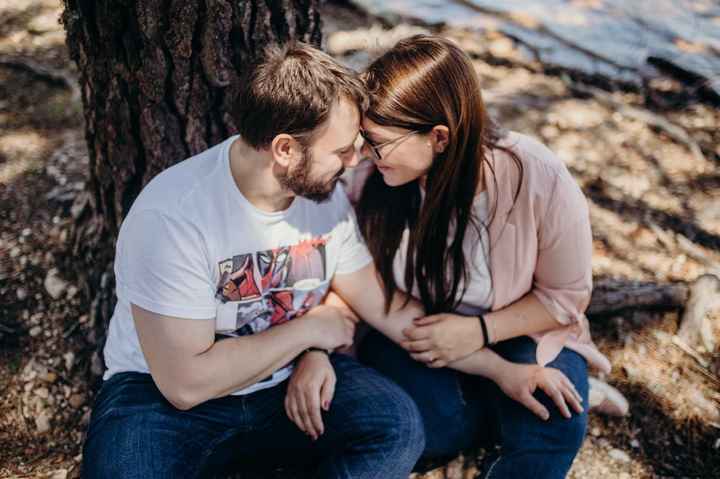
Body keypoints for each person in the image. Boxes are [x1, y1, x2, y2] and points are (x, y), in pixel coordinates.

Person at [81, 42, 428, 479]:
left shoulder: (322, 195)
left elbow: (374, 303)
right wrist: (309, 330)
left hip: (282, 385)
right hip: (162, 402)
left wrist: (485, 343)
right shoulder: (172, 217)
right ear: (284, 149)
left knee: (396, 426)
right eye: (342, 150)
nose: (357, 161)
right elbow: (186, 384)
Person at [287, 35, 613, 479]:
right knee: (428, 428)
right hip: (415, 333)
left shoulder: (537, 177)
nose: (363, 155)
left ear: (439, 137)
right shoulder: (370, 179)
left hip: (521, 328)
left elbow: (564, 297)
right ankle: (489, 402)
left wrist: (478, 331)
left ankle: (520, 396)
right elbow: (350, 279)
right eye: (363, 138)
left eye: (377, 142)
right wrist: (316, 348)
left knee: (555, 424)